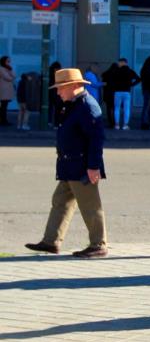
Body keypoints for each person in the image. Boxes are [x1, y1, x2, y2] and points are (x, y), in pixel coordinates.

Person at [25, 68, 107, 258]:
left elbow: (96, 139)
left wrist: (93, 167)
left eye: (61, 88)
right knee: (60, 202)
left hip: (82, 167)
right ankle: (51, 242)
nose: (58, 92)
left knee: (90, 205)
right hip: (69, 166)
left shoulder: (87, 106)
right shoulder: (72, 104)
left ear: (74, 86)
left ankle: (98, 245)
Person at [110, 58, 140, 130]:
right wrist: (131, 84)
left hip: (117, 91)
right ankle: (125, 125)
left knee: (117, 108)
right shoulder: (130, 71)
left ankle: (116, 125)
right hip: (127, 91)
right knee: (126, 109)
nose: (118, 64)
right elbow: (138, 79)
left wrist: (114, 86)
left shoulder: (116, 71)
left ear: (122, 62)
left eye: (119, 62)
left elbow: (111, 80)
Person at [101, 62, 118, 127]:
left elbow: (103, 83)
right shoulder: (117, 74)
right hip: (114, 93)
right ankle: (114, 122)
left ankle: (110, 122)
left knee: (108, 108)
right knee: (114, 108)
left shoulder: (106, 74)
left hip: (107, 93)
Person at [0, 55, 14, 126]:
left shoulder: (8, 68)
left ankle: (3, 120)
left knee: (4, 106)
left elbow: (14, 75)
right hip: (3, 90)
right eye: (8, 61)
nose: (9, 62)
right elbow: (8, 78)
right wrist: (10, 73)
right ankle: (3, 121)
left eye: (9, 61)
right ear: (4, 61)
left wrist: (10, 69)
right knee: (3, 106)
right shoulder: (1, 69)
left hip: (7, 90)